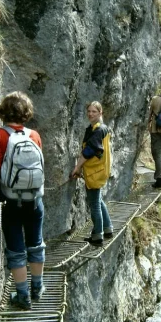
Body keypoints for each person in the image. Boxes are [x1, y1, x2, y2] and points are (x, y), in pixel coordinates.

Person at [0, 91, 45, 310]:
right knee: (36, 243)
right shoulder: (34, 135)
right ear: (26, 113)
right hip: (34, 200)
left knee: (16, 248)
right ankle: (38, 288)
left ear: (3, 111)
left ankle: (22, 296)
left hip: (11, 201)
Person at [71, 101, 113, 247]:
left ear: (100, 113)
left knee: (94, 204)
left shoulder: (97, 130)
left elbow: (89, 151)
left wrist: (77, 167)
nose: (90, 114)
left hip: (95, 172)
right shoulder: (103, 128)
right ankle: (108, 229)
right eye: (89, 111)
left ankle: (97, 236)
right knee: (99, 201)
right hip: (100, 170)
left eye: (94, 111)